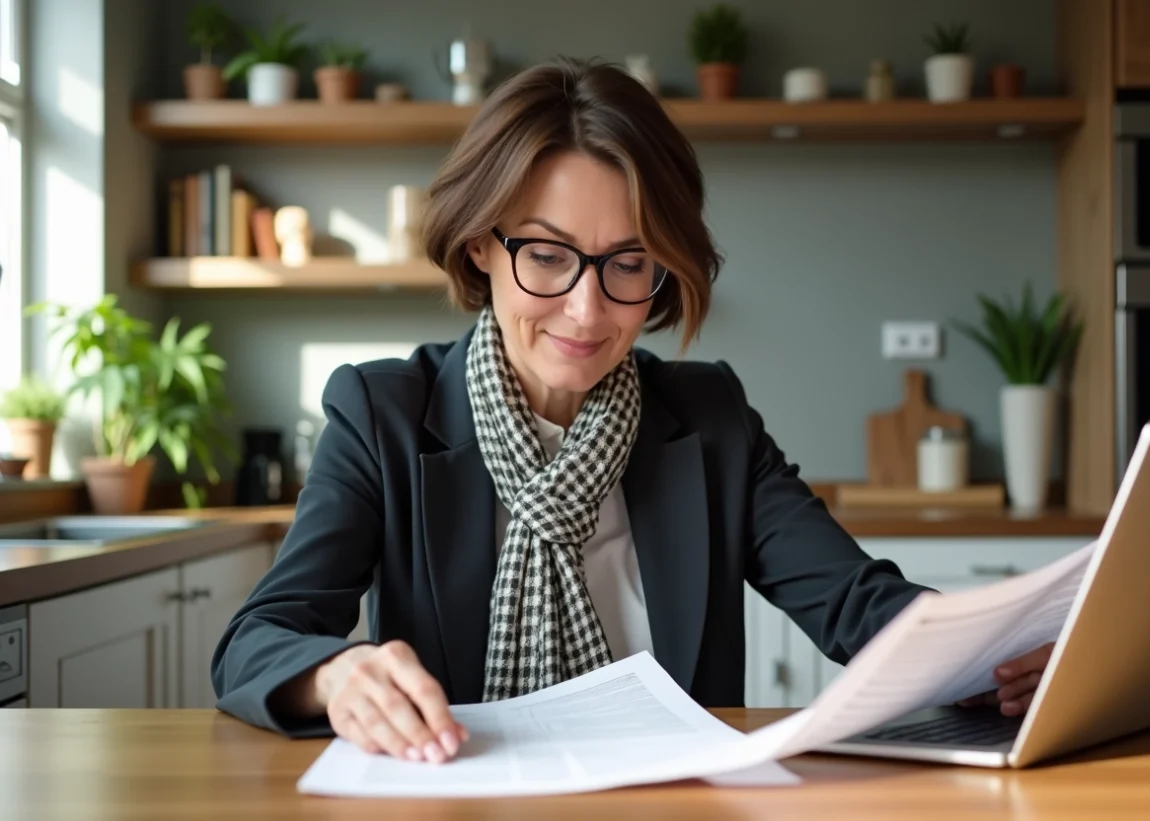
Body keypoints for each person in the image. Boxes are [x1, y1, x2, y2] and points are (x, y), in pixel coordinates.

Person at [211, 57, 1054, 765]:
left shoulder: (708, 417)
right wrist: (335, 675)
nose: (587, 310)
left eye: (628, 262)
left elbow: (856, 604)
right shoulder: (383, 413)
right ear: (479, 245)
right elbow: (258, 639)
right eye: (548, 255)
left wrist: (999, 659)